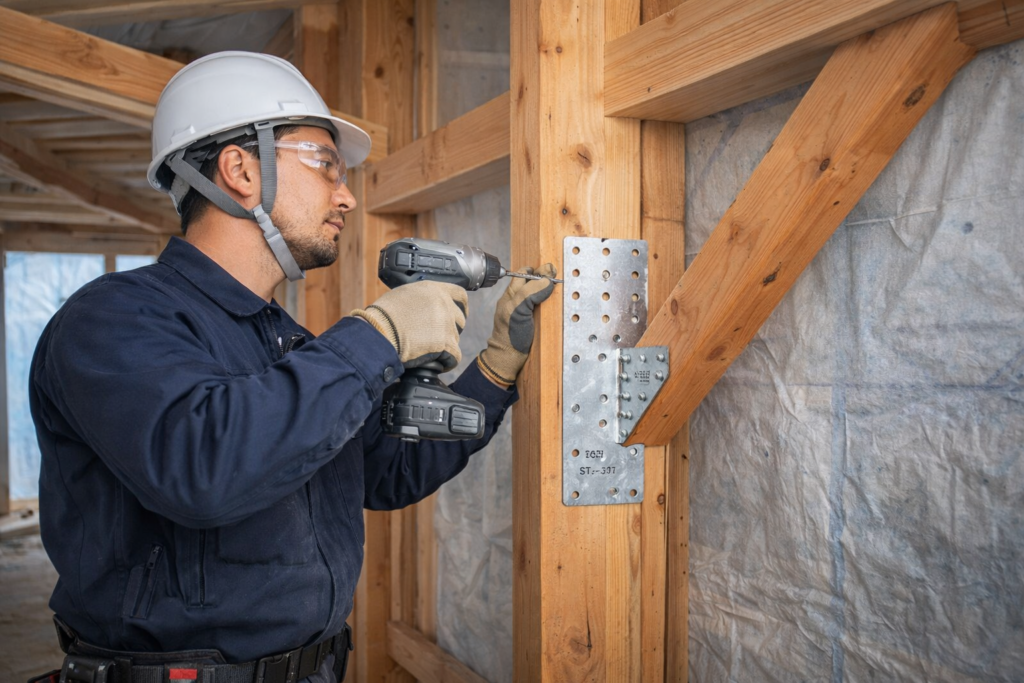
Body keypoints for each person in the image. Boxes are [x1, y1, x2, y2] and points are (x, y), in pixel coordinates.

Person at [28, 52, 555, 683]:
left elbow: (384, 472)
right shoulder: (112, 320)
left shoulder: (292, 344)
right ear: (241, 170)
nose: (347, 195)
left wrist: (495, 370)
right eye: (325, 164)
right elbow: (203, 467)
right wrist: (377, 333)